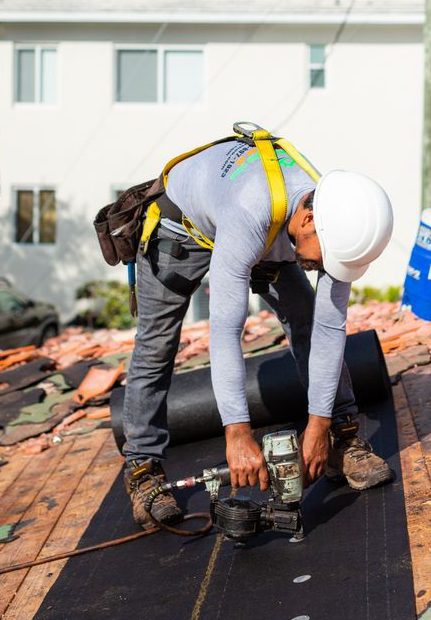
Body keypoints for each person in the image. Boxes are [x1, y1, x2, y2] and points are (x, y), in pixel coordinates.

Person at [121, 132, 394, 529]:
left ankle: (342, 435)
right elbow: (226, 331)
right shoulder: (251, 213)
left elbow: (329, 326)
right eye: (327, 259)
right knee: (156, 344)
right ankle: (143, 469)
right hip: (179, 228)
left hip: (272, 231)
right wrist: (237, 432)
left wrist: (317, 425)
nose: (328, 269)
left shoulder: (339, 221)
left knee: (305, 319)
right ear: (308, 220)